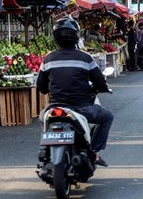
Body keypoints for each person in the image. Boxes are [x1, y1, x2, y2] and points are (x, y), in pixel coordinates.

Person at [37, 17, 114, 167]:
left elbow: (41, 86)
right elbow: (99, 81)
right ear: (76, 37)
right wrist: (101, 88)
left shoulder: (48, 59)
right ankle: (95, 152)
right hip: (82, 108)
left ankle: (46, 149)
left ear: (55, 38)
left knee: (42, 119)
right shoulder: (85, 58)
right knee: (107, 117)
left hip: (55, 108)